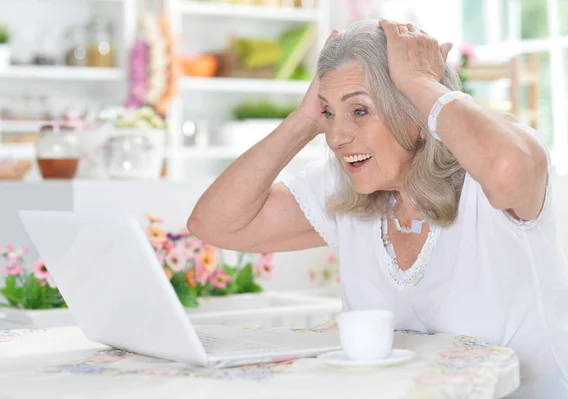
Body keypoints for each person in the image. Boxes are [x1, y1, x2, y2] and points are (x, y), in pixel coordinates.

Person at [187, 19, 568, 397]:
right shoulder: (346, 184)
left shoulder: (493, 168)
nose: (336, 137)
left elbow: (507, 170)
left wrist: (420, 82)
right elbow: (215, 224)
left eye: (360, 111)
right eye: (329, 113)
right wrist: (304, 120)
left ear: (415, 111)